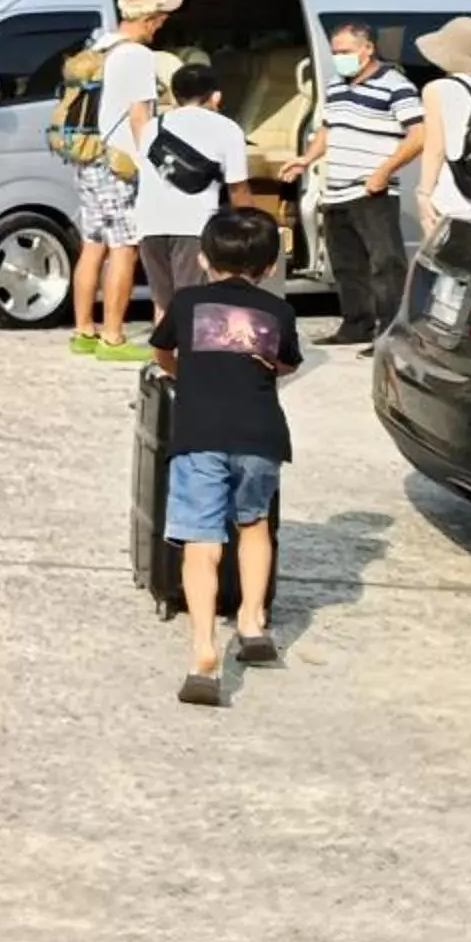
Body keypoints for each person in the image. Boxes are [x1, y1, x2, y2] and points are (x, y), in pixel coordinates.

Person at [150, 205, 301, 708]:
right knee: (254, 524)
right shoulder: (278, 313)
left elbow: (162, 353)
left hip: (201, 434)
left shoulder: (189, 302)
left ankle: (203, 653)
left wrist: (182, 375)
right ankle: (254, 624)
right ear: (271, 268)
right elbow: (283, 365)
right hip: (261, 437)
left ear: (202, 257)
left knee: (202, 542)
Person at [281, 22, 427, 349]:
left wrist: (383, 171)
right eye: (335, 52)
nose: (339, 58)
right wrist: (306, 159)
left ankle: (390, 333)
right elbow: (328, 129)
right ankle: (356, 324)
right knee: (347, 266)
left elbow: (419, 135)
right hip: (336, 190)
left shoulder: (395, 85)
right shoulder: (336, 85)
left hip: (371, 190)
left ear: (367, 49)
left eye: (345, 52)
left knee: (385, 264)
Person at [69, 0, 178, 363]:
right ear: (147, 19)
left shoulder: (100, 45)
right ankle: (112, 337)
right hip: (119, 162)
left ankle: (84, 329)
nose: (161, 25)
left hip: (90, 156)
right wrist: (152, 162)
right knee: (125, 247)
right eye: (160, 18)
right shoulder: (136, 56)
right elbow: (139, 115)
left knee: (92, 243)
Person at [130, 62, 257, 320]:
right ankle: (190, 359)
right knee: (194, 304)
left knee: (164, 304)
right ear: (216, 95)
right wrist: (253, 226)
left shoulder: (153, 127)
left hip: (149, 225)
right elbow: (238, 189)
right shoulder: (226, 128)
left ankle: (165, 358)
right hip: (192, 225)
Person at [414, 15, 471, 246]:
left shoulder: (436, 89)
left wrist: (424, 194)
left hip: (453, 198)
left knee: (448, 270)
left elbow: (435, 148)